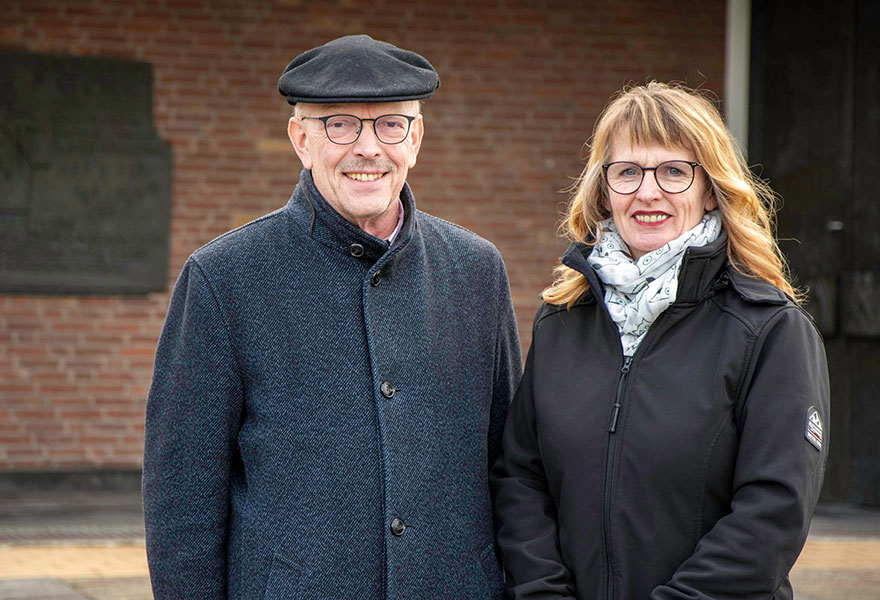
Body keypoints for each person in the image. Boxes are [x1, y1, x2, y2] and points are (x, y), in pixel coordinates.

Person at [143, 35, 521, 600]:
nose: (368, 148)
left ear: (415, 139)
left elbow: (508, 466)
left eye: (390, 125)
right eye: (340, 125)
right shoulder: (224, 278)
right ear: (301, 139)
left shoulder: (477, 270)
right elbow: (182, 501)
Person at [490, 82, 829, 600]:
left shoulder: (770, 330)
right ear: (603, 191)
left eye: (674, 171)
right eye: (627, 172)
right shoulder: (562, 321)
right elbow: (520, 479)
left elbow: (772, 515)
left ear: (710, 189)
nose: (648, 192)